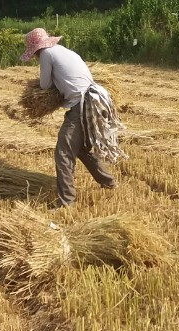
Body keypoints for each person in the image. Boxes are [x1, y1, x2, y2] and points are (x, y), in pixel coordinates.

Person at [22, 28, 124, 207]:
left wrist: (51, 87)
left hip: (82, 104)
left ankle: (66, 202)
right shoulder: (64, 50)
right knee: (82, 148)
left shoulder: (46, 54)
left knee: (63, 152)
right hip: (96, 99)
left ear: (36, 49)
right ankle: (108, 183)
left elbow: (45, 85)